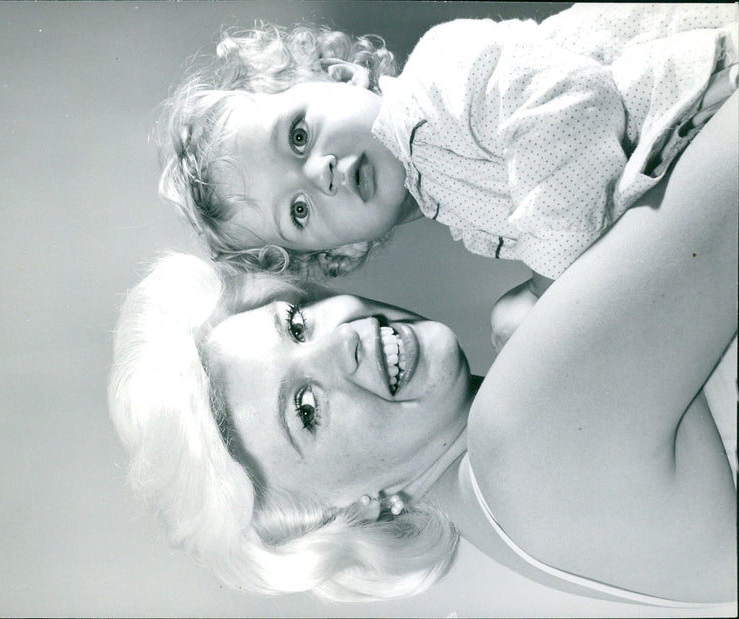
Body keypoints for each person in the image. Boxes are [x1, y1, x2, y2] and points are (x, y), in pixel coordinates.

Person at [110, 92, 738, 604]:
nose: (339, 344)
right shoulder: (517, 440)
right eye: (305, 408)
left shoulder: (509, 502)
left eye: (295, 324)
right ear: (355, 513)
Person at [157, 4, 737, 349]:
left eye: (299, 137)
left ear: (341, 74)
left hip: (704, 89)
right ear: (340, 252)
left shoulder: (439, 80)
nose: (321, 175)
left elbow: (574, 107)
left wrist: (545, 291)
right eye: (299, 212)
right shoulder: (441, 194)